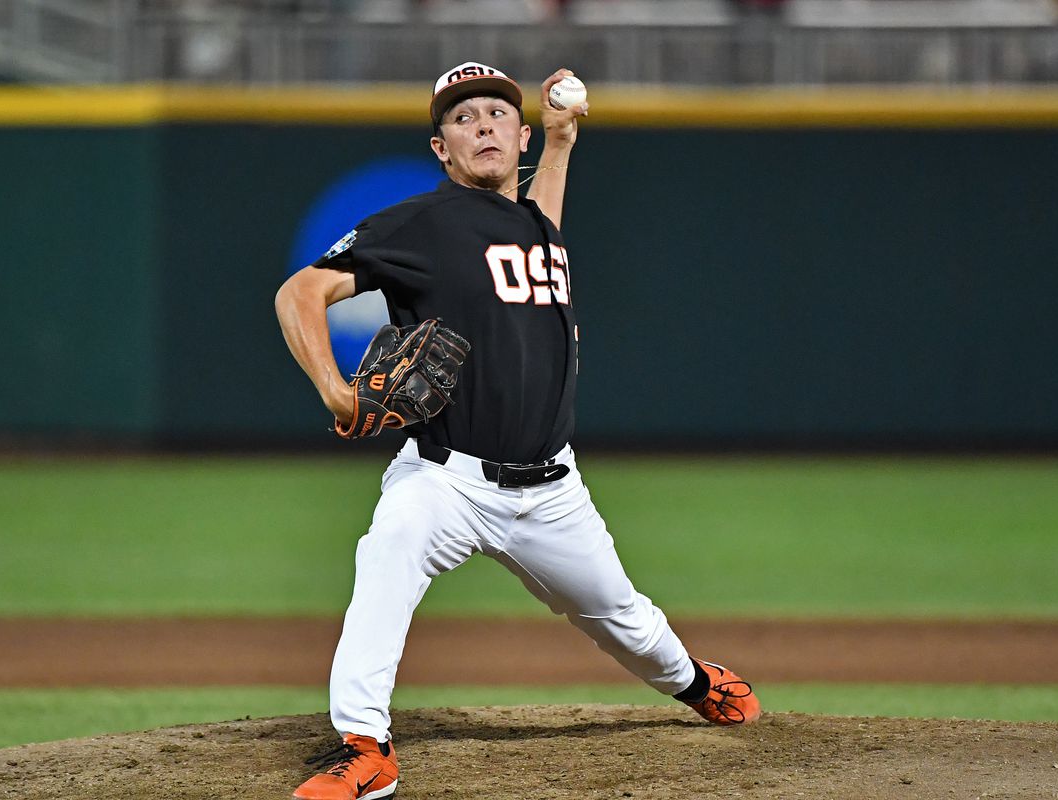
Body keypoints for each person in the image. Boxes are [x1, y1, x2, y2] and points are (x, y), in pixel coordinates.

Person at [274, 61, 761, 800]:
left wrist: (562, 147)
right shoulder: (423, 223)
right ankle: (365, 748)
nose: (482, 127)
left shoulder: (533, 224)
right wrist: (337, 393)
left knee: (621, 616)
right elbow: (301, 290)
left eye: (496, 115)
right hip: (447, 480)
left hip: (553, 489)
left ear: (520, 134)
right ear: (443, 149)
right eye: (464, 120)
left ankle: (695, 683)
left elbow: (541, 234)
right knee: (386, 560)